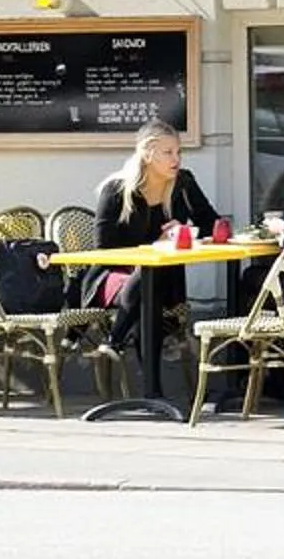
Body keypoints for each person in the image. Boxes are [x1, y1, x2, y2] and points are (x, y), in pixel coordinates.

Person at [91, 122, 221, 389]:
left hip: (165, 279)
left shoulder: (183, 183)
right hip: (116, 277)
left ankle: (117, 342)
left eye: (178, 152)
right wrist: (153, 245)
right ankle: (153, 390)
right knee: (147, 288)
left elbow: (213, 223)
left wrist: (186, 230)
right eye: (168, 152)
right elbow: (104, 250)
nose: (176, 159)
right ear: (148, 153)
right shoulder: (117, 191)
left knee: (152, 285)